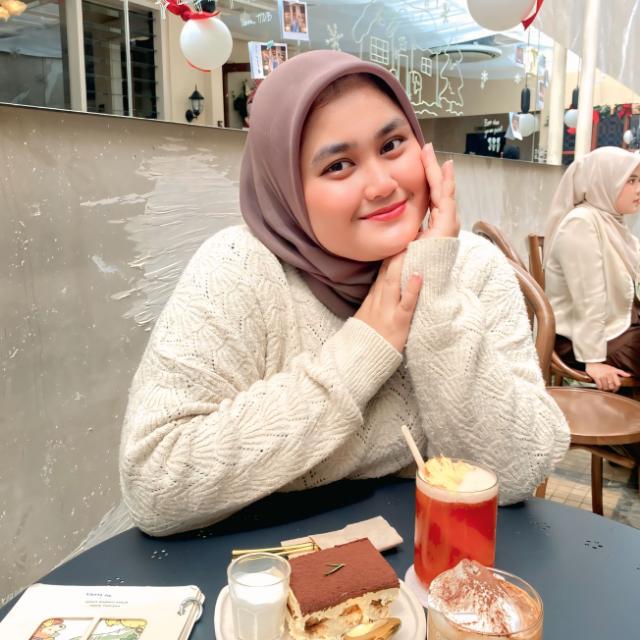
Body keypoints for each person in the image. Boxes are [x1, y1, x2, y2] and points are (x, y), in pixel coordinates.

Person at [119, 50, 569, 536]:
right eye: (338, 165)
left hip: (428, 560)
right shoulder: (239, 269)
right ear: (286, 188)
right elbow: (154, 484)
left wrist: (434, 295)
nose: (382, 185)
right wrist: (364, 348)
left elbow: (518, 471)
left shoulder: (473, 266)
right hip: (263, 565)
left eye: (392, 145)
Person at [544, 146, 640, 393]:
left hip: (616, 329)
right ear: (604, 181)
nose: (638, 189)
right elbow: (589, 299)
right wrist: (593, 360)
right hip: (581, 342)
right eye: (630, 180)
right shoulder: (581, 223)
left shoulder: (612, 222)